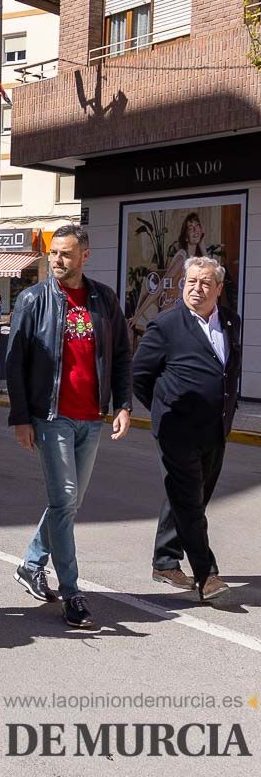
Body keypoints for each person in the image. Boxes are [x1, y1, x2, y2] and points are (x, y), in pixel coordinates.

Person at [6, 224, 133, 628]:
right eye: (54, 253)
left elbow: (121, 356)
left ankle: (30, 564)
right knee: (64, 500)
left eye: (66, 253)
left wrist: (123, 404)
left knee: (70, 504)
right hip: (51, 416)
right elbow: (16, 363)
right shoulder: (33, 299)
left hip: (91, 417)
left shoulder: (104, 299)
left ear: (84, 256)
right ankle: (72, 591)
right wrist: (22, 417)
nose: (58, 260)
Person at [133, 257, 241, 601]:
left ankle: (165, 560)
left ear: (218, 289)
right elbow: (140, 375)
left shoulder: (230, 321)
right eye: (191, 281)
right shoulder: (166, 325)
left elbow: (229, 371)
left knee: (190, 498)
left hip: (215, 429)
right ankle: (206, 574)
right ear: (182, 285)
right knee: (190, 504)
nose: (197, 288)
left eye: (206, 283)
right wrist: (164, 409)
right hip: (176, 429)